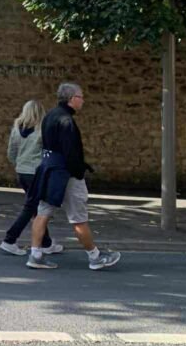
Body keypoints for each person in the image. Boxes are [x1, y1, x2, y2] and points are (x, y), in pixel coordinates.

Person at [26, 83, 120, 271]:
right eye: (81, 97)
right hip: (66, 174)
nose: (83, 100)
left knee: (42, 213)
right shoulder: (66, 121)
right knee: (78, 217)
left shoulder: (50, 116)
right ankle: (95, 257)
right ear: (72, 99)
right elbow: (71, 153)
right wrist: (78, 172)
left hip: (49, 170)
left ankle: (35, 255)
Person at [0, 100, 63, 256]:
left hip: (22, 172)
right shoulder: (42, 130)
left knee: (36, 208)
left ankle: (46, 243)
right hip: (36, 173)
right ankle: (9, 240)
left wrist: (19, 164)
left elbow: (11, 153)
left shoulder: (16, 129)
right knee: (31, 208)